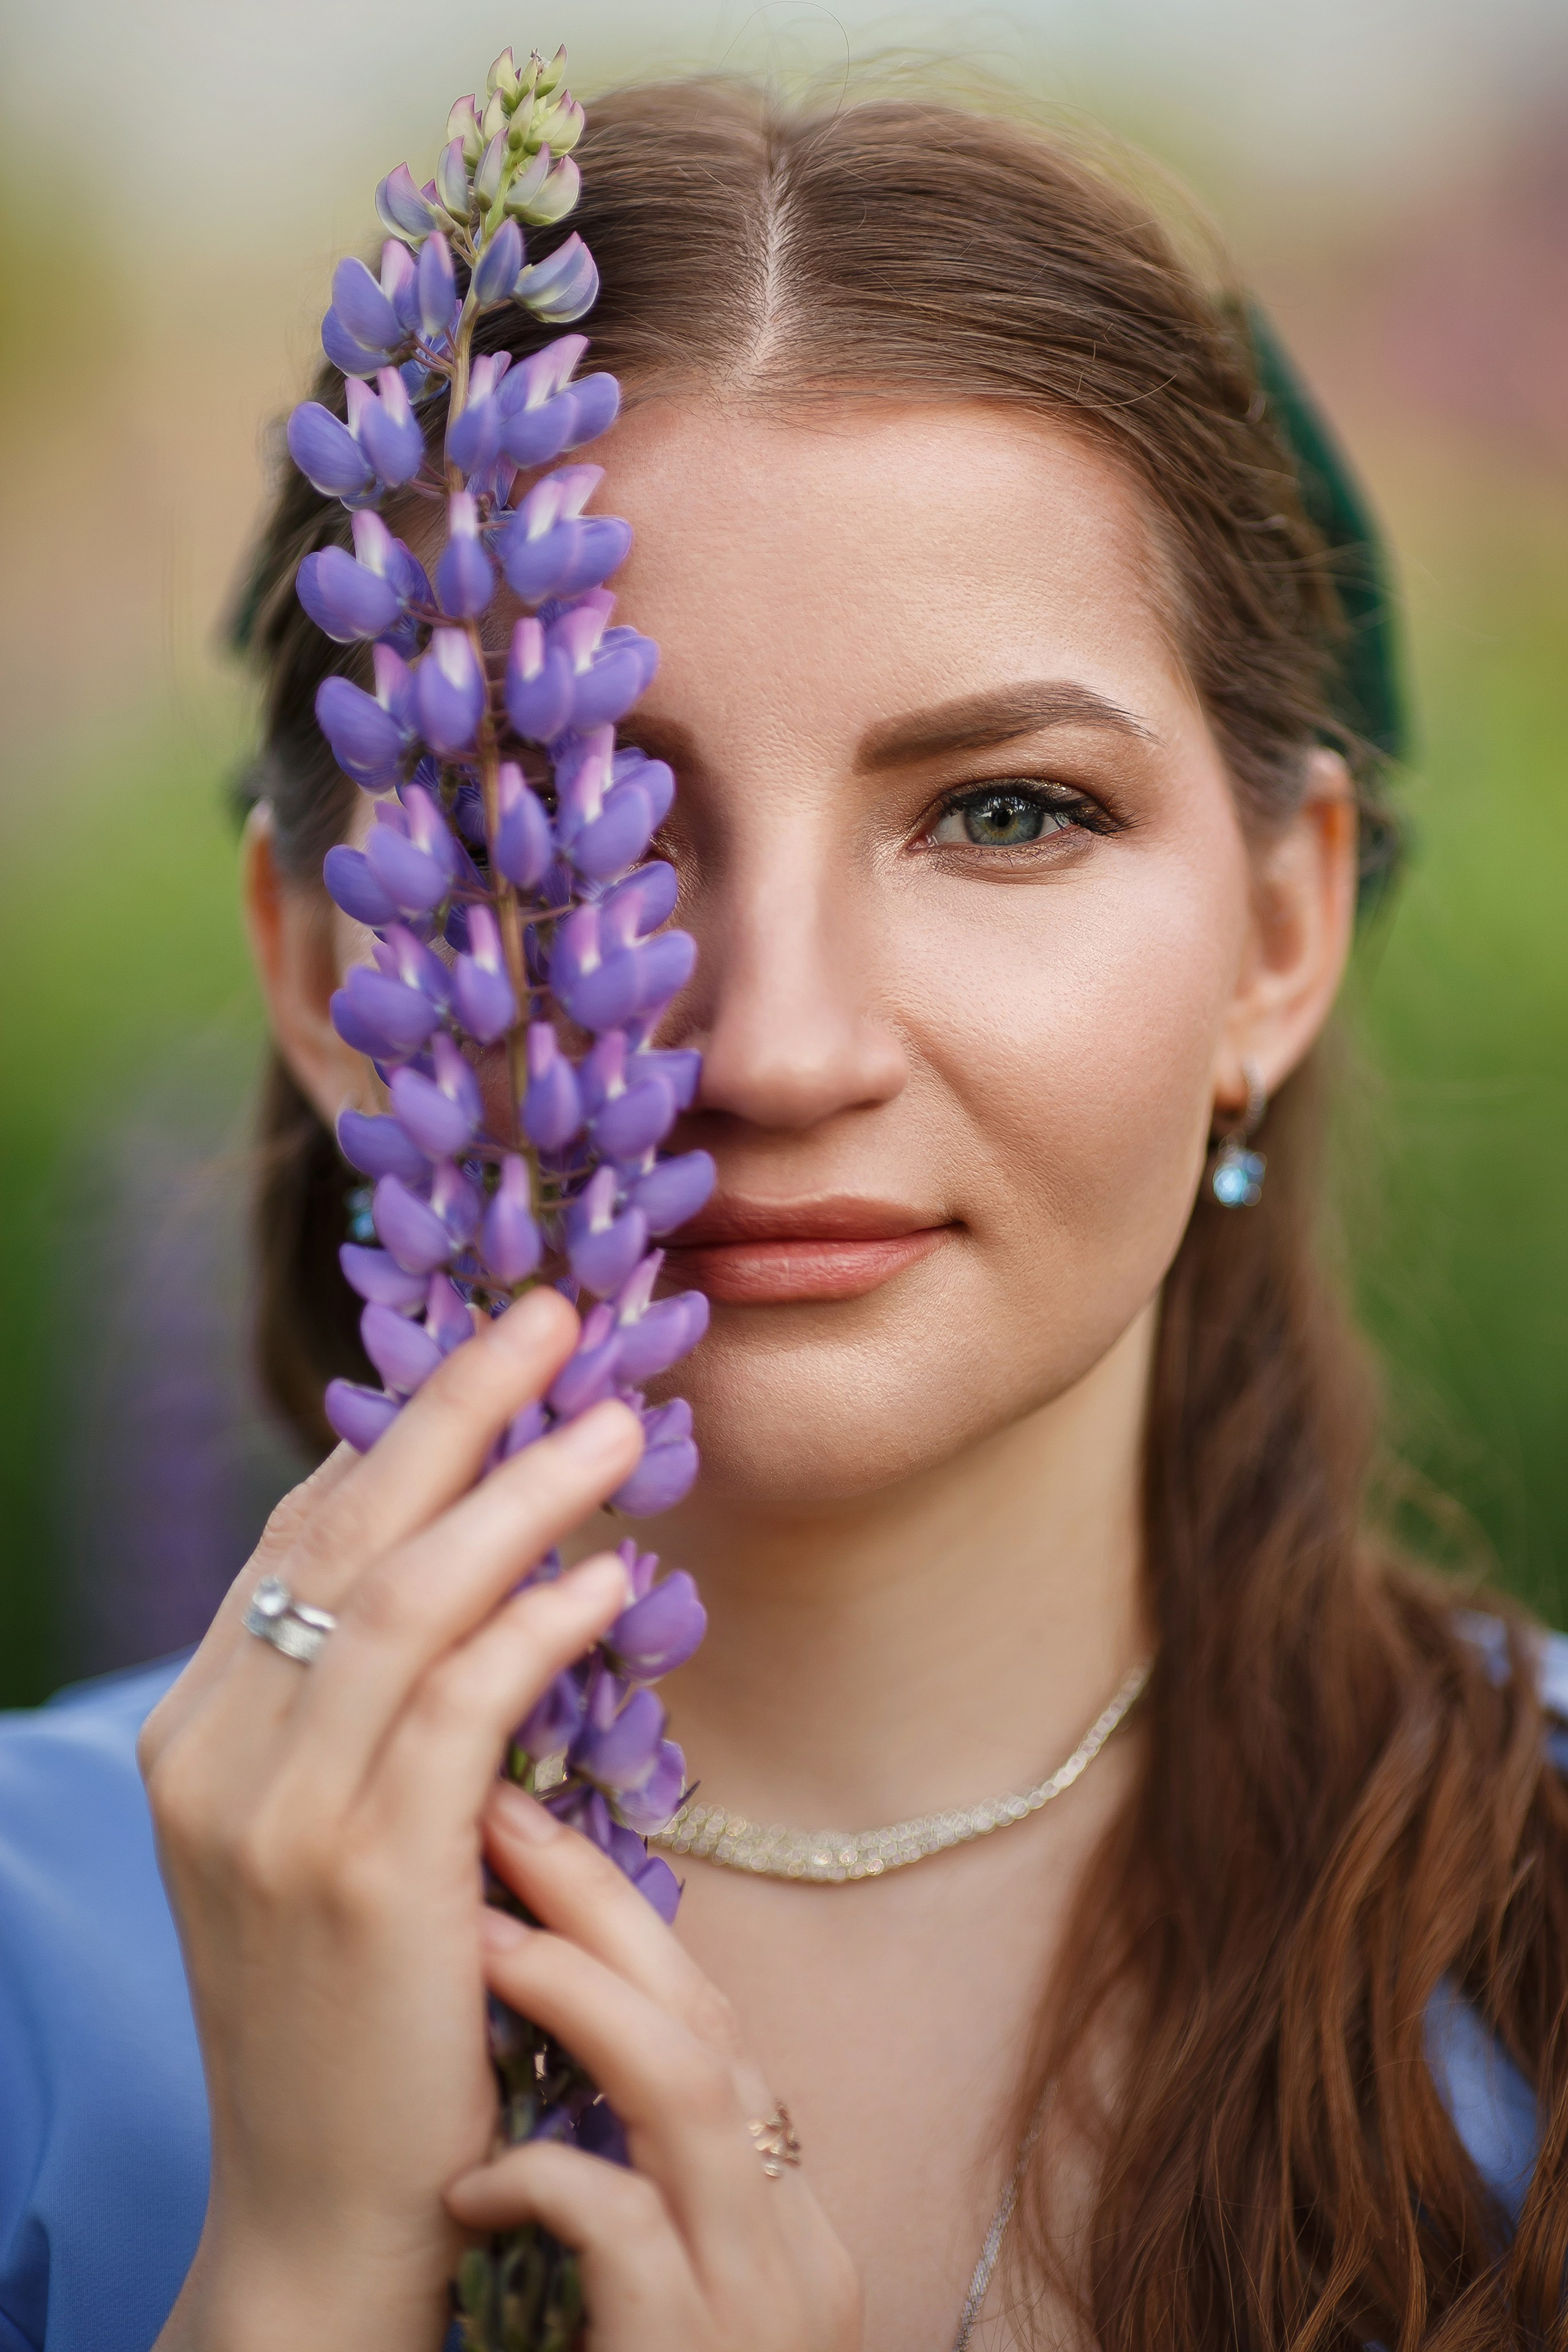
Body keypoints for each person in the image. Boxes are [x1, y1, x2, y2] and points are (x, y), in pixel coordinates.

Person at [1, 78, 1564, 2352]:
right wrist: (301, 2278)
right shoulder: (45, 1951)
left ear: (1282, 935)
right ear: (331, 964)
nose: (775, 1044)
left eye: (1004, 813)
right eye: (588, 827)